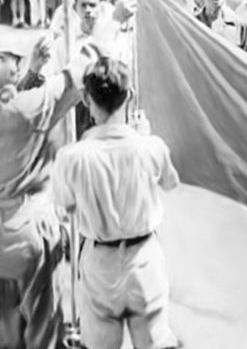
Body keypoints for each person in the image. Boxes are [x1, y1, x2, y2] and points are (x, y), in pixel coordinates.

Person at [52, 57, 180, 349]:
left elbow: (65, 207)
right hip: (144, 261)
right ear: (130, 96)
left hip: (99, 265)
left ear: (86, 99)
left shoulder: (71, 158)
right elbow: (171, 183)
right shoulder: (150, 147)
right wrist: (143, 136)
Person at [0, 34, 99, 349]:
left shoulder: (19, 109)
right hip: (28, 231)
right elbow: (72, 80)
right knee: (44, 329)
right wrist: (113, 23)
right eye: (5, 58)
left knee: (7, 331)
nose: (14, 62)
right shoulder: (22, 112)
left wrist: (31, 72)